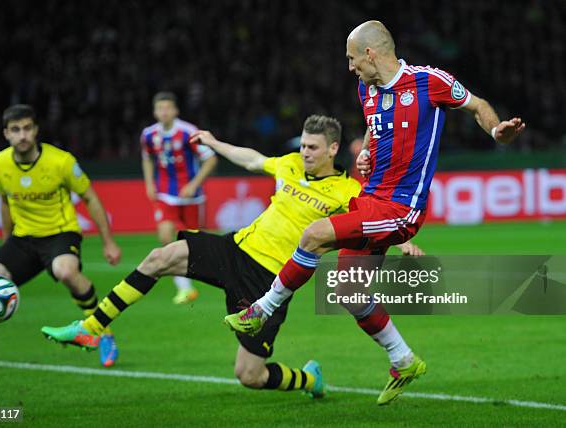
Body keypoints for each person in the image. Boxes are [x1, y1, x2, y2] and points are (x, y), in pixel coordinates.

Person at [224, 20, 526, 405]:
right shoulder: (366, 88)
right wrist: (366, 150)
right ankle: (403, 360)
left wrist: (496, 130)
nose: (350, 68)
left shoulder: (428, 81)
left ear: (370, 53)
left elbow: (477, 105)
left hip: (400, 207)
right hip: (369, 200)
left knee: (314, 235)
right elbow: (373, 126)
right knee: (350, 291)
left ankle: (261, 310)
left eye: (352, 59)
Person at [41, 114, 424, 398]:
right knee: (160, 257)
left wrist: (403, 241)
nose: (304, 152)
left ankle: (309, 379)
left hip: (268, 282)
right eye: (303, 145)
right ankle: (91, 327)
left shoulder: (346, 193)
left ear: (333, 149)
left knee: (249, 375)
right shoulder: (288, 165)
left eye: (312, 147)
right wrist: (214, 142)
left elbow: (372, 222)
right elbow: (252, 159)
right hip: (234, 247)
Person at [0, 104, 122, 371]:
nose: (22, 135)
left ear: (36, 130)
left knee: (65, 271)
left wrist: (108, 241)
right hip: (23, 239)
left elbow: (90, 197)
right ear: (6, 134)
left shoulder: (61, 161)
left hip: (60, 233)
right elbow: (4, 202)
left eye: (27, 128)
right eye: (15, 130)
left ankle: (105, 334)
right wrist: (6, 241)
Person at [141, 92, 217, 305]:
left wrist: (193, 185)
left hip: (191, 197)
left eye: (168, 108)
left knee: (192, 245)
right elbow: (147, 158)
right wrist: (149, 183)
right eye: (160, 109)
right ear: (155, 112)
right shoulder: (148, 135)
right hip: (166, 194)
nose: (164, 112)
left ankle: (208, 277)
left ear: (175, 111)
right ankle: (185, 288)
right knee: (166, 236)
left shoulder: (188, 132)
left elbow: (210, 159)